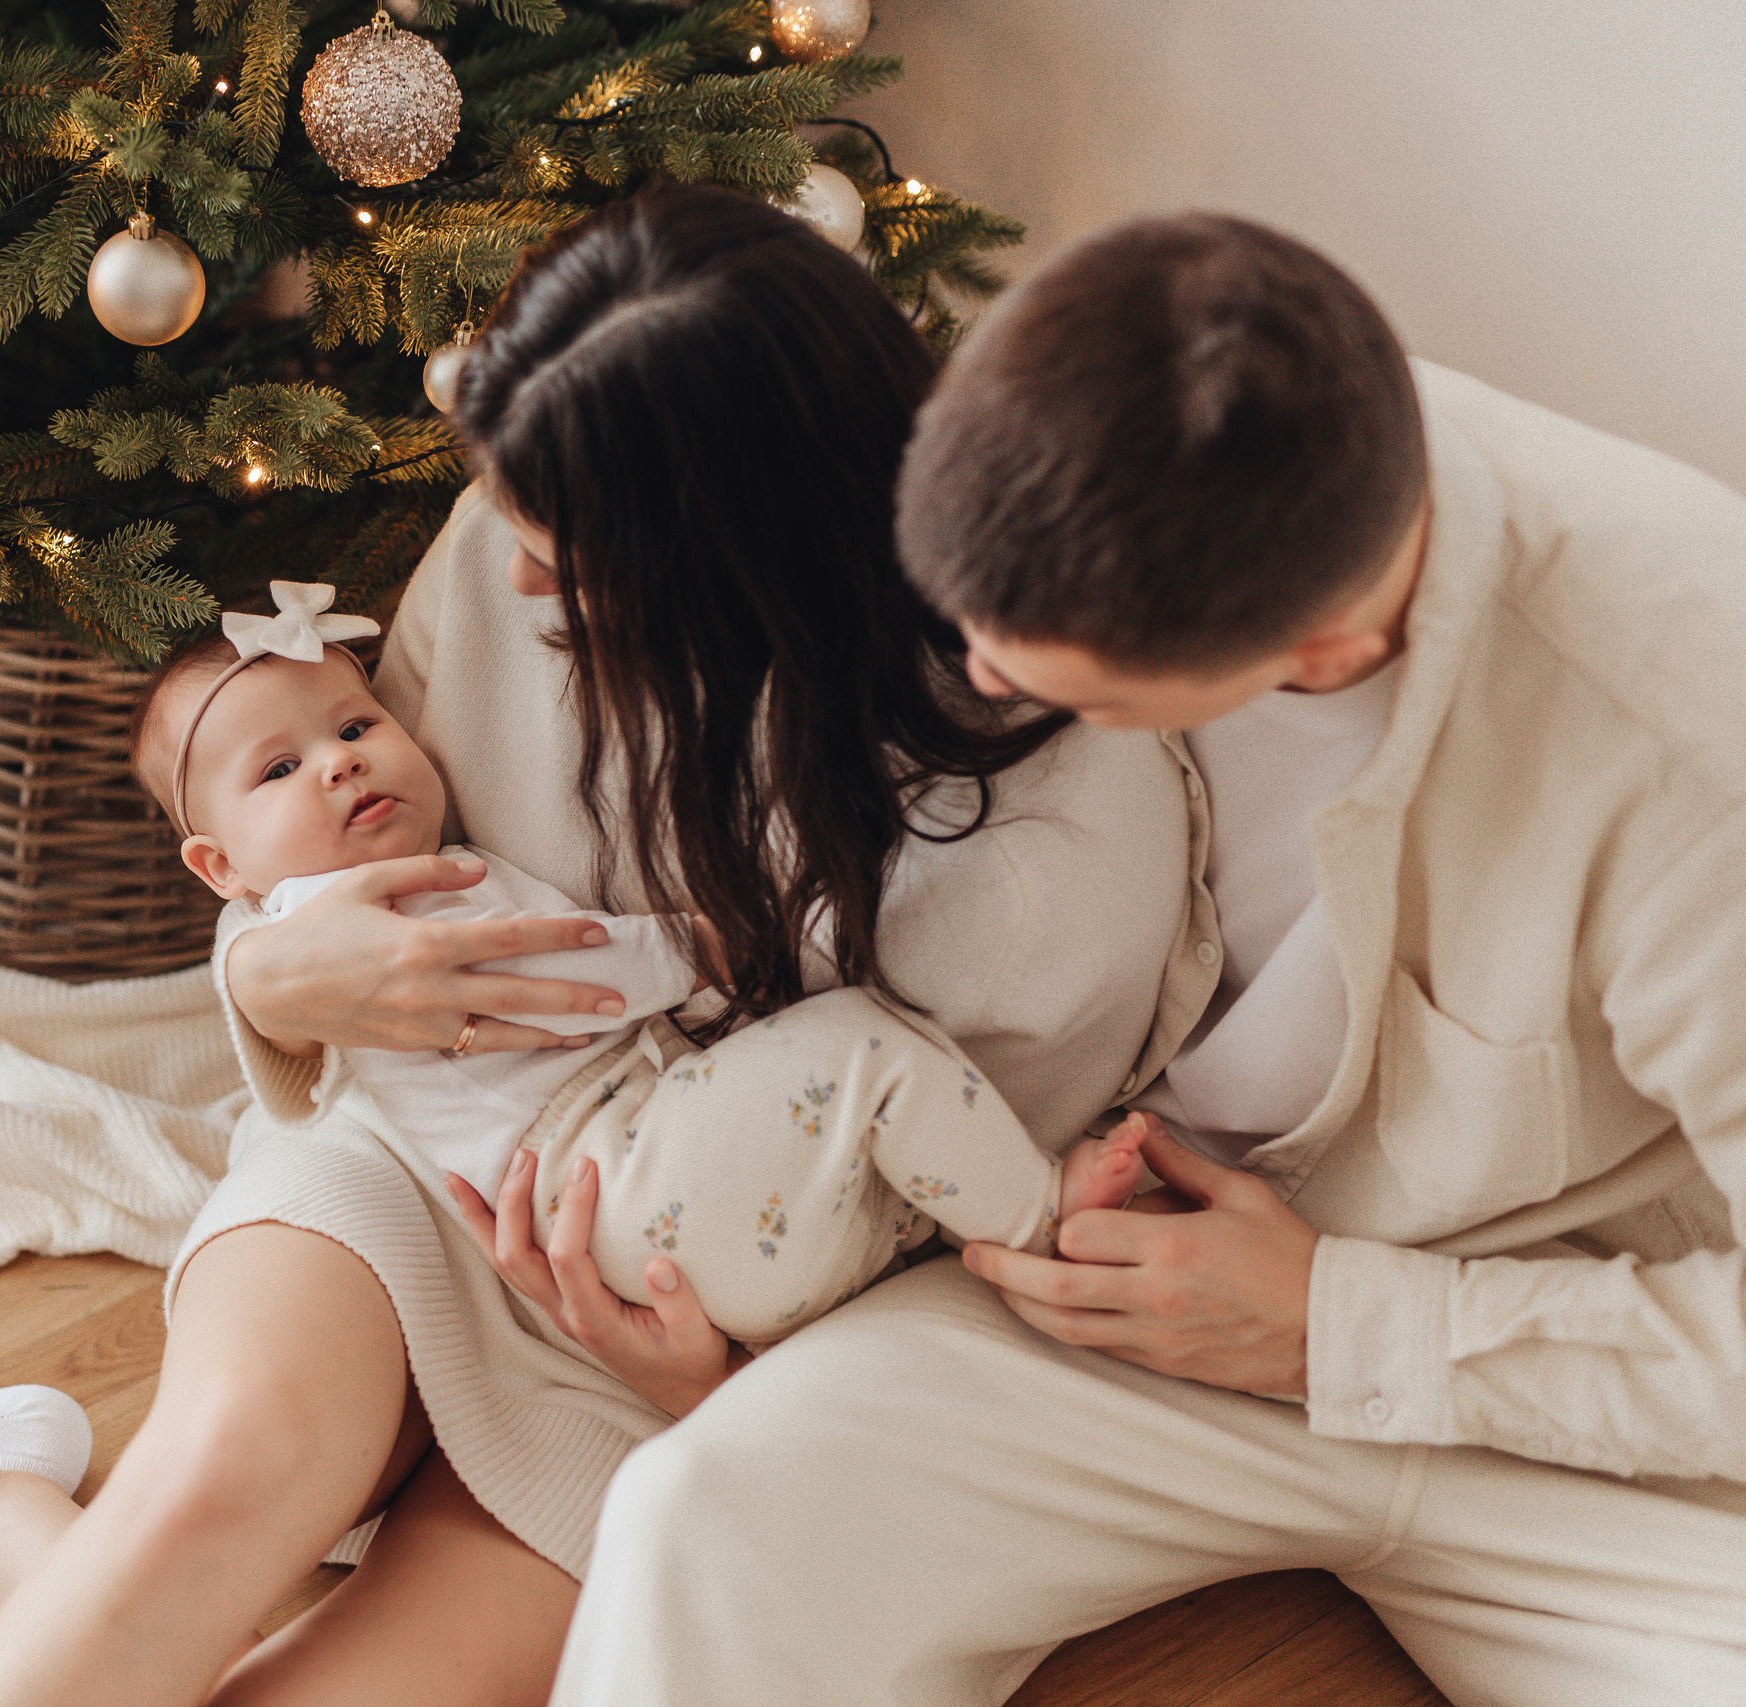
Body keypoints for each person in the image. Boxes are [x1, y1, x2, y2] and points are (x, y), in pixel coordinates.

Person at [0, 185, 1190, 1707]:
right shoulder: (540, 503)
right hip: (408, 1164)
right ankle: (13, 1493)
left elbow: (954, 1222)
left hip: (672, 1333)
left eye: (571, 556)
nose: (521, 580)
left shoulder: (1043, 845)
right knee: (206, 1494)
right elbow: (345, 854)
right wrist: (264, 980)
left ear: (752, 543)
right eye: (516, 520)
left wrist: (710, 1386)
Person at [545, 212, 1746, 1705]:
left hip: (1573, 1369)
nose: (973, 677)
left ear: (1309, 652)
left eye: (1043, 673)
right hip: (1115, 1293)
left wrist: (1339, 1323)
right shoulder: (1111, 436)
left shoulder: (1688, 742)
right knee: (703, 1521)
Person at [133, 596, 1144, 1340]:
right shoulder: (387, 911)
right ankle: (1041, 1226)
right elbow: (570, 977)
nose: (339, 761)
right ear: (220, 866)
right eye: (278, 770)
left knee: (866, 1098)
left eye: (356, 727)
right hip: (615, 1175)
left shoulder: (372, 892)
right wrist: (710, 943)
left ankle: (945, 1232)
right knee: (865, 1047)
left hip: (671, 1220)